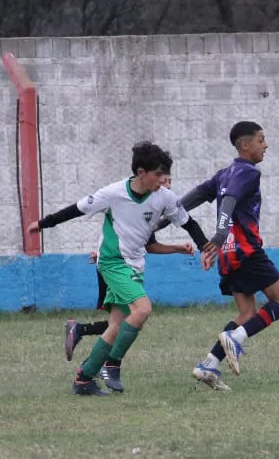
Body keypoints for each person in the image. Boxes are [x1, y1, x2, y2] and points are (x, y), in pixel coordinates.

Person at [27, 141, 209, 396]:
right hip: (112, 262)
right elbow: (77, 209)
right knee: (142, 309)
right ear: (141, 172)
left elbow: (188, 223)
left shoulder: (164, 197)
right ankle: (112, 364)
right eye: (158, 174)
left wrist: (205, 247)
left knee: (115, 326)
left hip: (135, 264)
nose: (163, 180)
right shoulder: (113, 193)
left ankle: (83, 380)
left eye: (165, 174)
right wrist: (44, 223)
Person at [172, 121, 279, 391]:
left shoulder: (223, 174)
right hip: (246, 250)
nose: (265, 145)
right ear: (246, 145)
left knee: (247, 313)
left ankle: (208, 365)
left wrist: (157, 223)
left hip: (228, 254)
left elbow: (187, 201)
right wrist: (218, 234)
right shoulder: (248, 172)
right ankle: (237, 338)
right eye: (261, 140)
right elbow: (229, 200)